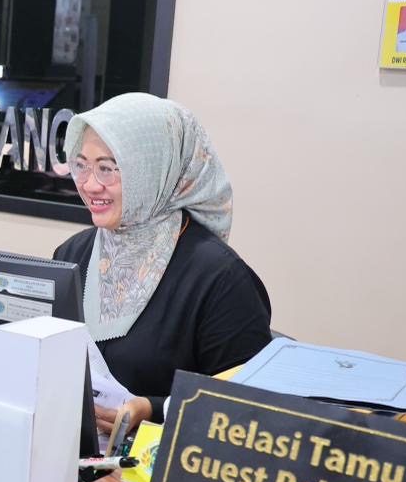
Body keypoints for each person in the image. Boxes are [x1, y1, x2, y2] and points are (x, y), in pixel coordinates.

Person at [53, 93, 272, 434]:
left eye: (108, 168)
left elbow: (249, 411)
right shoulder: (71, 255)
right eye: (81, 165)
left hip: (160, 478)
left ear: (154, 170)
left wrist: (152, 410)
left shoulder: (221, 279)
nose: (90, 184)